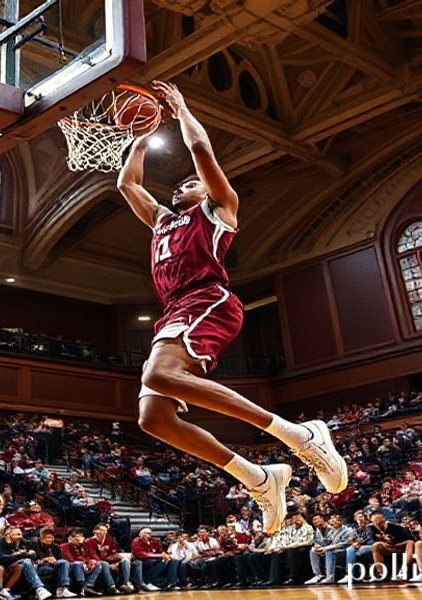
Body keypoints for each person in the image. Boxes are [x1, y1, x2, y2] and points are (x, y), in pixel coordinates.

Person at [117, 79, 346, 534]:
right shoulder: (164, 221)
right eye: (181, 184)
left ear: (205, 191)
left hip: (208, 299)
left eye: (190, 183)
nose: (183, 186)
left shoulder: (219, 209)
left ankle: (300, 435)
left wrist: (180, 109)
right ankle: (258, 477)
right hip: (175, 309)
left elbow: (201, 147)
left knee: (158, 375)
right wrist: (140, 139)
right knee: (153, 417)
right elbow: (127, 183)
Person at [0, 527, 52, 600]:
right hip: (3, 567)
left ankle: (7, 591)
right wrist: (17, 554)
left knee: (29, 565)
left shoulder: (20, 541)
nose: (20, 537)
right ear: (8, 535)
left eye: (21, 534)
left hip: (20, 566)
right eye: (18, 534)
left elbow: (32, 546)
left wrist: (30, 552)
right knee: (26, 561)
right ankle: (39, 588)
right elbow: (2, 559)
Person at [60, 529, 116, 596]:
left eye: (81, 536)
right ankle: (82, 587)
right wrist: (86, 562)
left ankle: (91, 585)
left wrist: (92, 561)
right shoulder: (64, 546)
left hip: (84, 564)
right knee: (79, 564)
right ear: (70, 538)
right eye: (77, 537)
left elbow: (90, 555)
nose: (79, 539)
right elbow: (70, 559)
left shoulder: (84, 545)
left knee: (100, 564)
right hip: (72, 566)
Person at [85, 524, 134, 593]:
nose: (104, 532)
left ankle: (124, 583)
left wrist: (117, 561)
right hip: (96, 562)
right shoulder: (89, 541)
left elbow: (113, 554)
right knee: (104, 564)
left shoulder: (109, 540)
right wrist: (110, 565)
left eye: (105, 531)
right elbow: (94, 556)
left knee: (125, 561)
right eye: (101, 530)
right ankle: (111, 586)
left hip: (108, 560)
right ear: (95, 531)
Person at [31, 528, 79, 598]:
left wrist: (55, 560)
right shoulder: (34, 545)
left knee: (64, 562)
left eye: (50, 537)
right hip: (39, 567)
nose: (49, 540)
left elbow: (61, 559)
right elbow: (33, 560)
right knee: (48, 568)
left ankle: (61, 589)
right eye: (46, 538)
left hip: (52, 565)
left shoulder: (56, 546)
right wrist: (45, 559)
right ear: (41, 538)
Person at [305, 513, 351, 584]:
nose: (335, 522)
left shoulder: (347, 530)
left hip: (344, 550)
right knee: (313, 551)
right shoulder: (332, 531)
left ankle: (330, 577)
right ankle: (317, 575)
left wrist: (326, 548)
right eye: (333, 520)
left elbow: (344, 544)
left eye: (338, 520)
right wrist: (319, 548)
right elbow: (327, 541)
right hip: (332, 549)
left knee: (329, 551)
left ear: (342, 521)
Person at [367, 513, 414, 581]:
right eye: (374, 521)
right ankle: (381, 574)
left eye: (378, 520)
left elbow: (410, 539)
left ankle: (404, 570)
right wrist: (385, 543)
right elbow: (375, 540)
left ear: (384, 519)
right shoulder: (371, 529)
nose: (377, 523)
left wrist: (394, 544)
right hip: (389, 548)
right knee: (376, 546)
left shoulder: (396, 527)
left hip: (402, 547)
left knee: (410, 542)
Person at [130, 527, 177, 591]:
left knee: (172, 561)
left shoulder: (153, 541)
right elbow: (140, 555)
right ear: (142, 534)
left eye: (150, 533)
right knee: (159, 564)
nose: (150, 535)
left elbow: (160, 550)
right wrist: (159, 555)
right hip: (143, 561)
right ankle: (151, 582)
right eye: (148, 533)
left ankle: (172, 583)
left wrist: (165, 555)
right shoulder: (136, 541)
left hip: (155, 560)